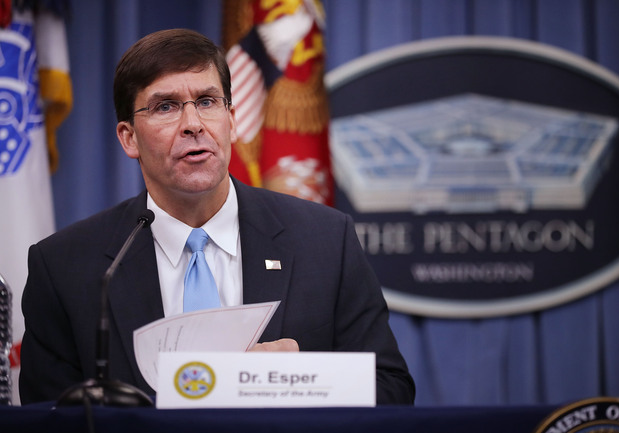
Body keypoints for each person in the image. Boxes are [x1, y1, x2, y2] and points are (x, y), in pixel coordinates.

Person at [19, 28, 415, 405]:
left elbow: (391, 388)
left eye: (207, 102)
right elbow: (48, 416)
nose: (193, 125)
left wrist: (302, 381)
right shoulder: (65, 268)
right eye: (166, 106)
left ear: (232, 118)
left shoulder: (326, 241)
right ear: (129, 137)